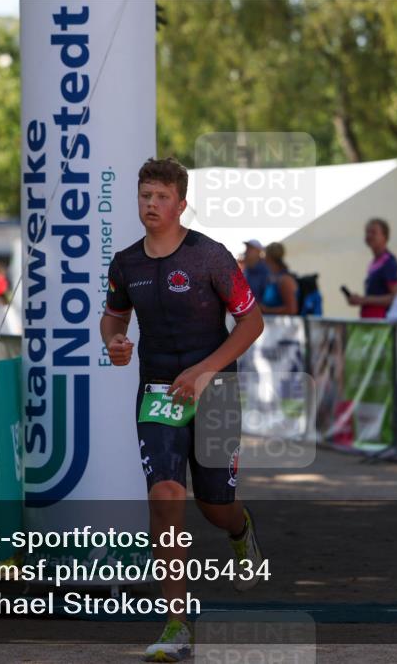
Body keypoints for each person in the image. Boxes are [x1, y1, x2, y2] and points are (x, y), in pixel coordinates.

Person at [101, 157, 264, 662]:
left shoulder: (209, 256)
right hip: (158, 394)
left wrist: (205, 371)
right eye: (145, 195)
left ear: (181, 203)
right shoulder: (126, 263)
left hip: (212, 391)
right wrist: (115, 344)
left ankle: (241, 530)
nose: (151, 204)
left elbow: (251, 323)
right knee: (166, 495)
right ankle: (177, 623)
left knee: (215, 504)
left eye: (161, 197)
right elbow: (113, 319)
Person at [348, 218, 397, 318]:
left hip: (382, 323)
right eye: (367, 232)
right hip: (370, 321)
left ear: (385, 236)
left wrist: (364, 300)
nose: (369, 236)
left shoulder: (389, 263)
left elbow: (396, 297)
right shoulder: (375, 262)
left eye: (373, 232)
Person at [259, 242, 298, 315]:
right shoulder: (272, 278)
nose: (263, 258)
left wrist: (266, 310)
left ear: (269, 257)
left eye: (264, 255)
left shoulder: (285, 280)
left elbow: (292, 310)